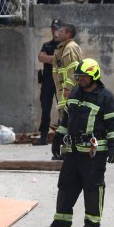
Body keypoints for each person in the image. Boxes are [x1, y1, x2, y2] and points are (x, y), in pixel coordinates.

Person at [43, 59, 114, 227]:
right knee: (65, 185)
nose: (80, 80)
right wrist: (58, 137)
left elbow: (113, 125)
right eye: (78, 76)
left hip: (94, 154)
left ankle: (92, 224)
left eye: (84, 77)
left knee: (93, 188)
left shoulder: (106, 96)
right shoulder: (77, 92)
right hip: (73, 151)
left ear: (94, 76)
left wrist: (113, 148)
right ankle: (62, 222)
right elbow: (66, 118)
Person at [51, 22, 83, 155]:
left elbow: (74, 72)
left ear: (68, 34)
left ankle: (70, 154)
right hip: (64, 95)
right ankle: (65, 153)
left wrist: (69, 90)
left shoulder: (70, 48)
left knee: (70, 126)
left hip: (69, 95)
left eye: (61, 31)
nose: (56, 33)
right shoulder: (62, 49)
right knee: (65, 126)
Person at [35, 19, 62, 145]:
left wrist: (50, 59)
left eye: (57, 29)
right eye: (53, 28)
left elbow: (65, 60)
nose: (54, 31)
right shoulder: (47, 45)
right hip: (47, 81)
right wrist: (56, 59)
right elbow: (41, 58)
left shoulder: (66, 46)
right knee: (45, 108)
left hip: (61, 80)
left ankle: (63, 137)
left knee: (63, 109)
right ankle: (43, 136)